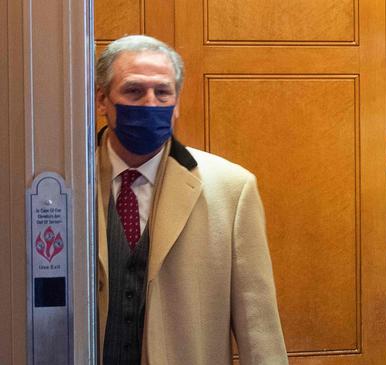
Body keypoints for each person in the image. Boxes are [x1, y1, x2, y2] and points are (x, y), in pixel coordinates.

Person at [94, 35, 288, 365]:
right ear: (102, 100)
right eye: (134, 91)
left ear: (177, 102)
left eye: (163, 92)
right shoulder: (65, 186)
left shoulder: (231, 188)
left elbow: (259, 328)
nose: (150, 103)